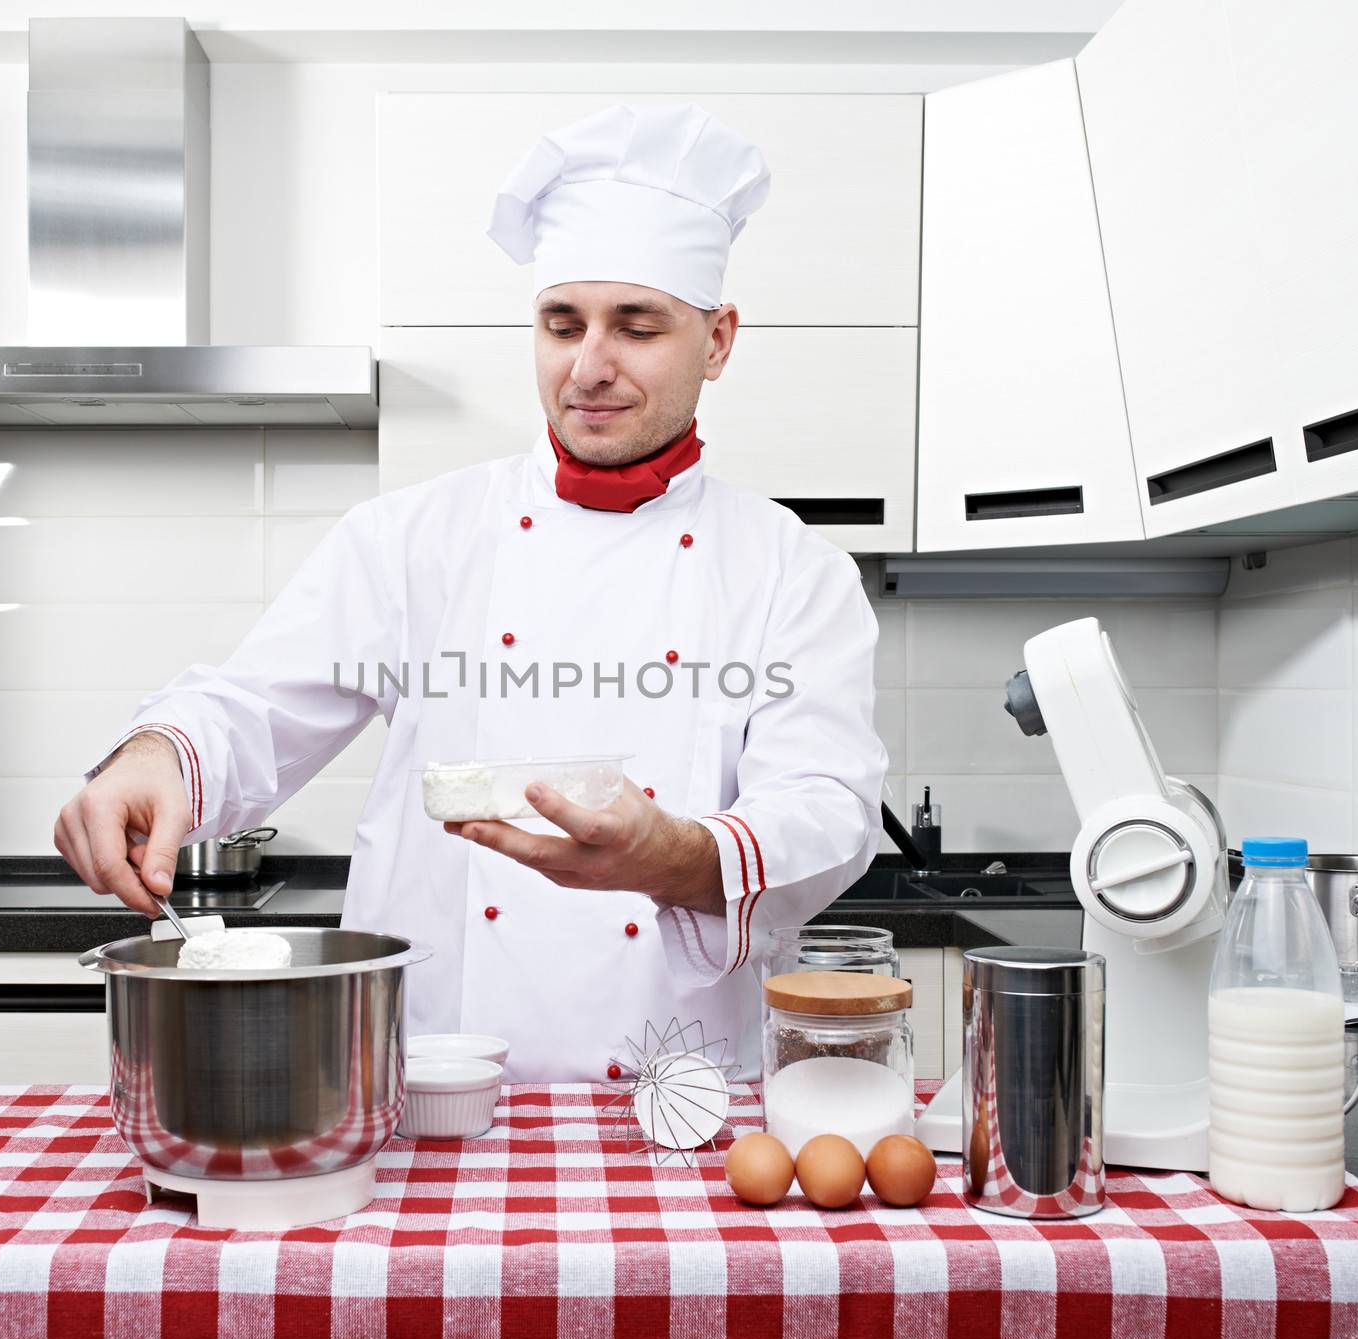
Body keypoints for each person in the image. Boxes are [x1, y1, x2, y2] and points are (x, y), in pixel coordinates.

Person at [54, 102, 887, 1081]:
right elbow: (251, 706)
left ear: (717, 341)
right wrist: (157, 754)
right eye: (561, 323)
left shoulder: (792, 569)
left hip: (683, 1094)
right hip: (440, 1083)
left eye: (638, 326)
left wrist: (667, 853)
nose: (589, 366)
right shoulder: (412, 539)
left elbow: (826, 810)